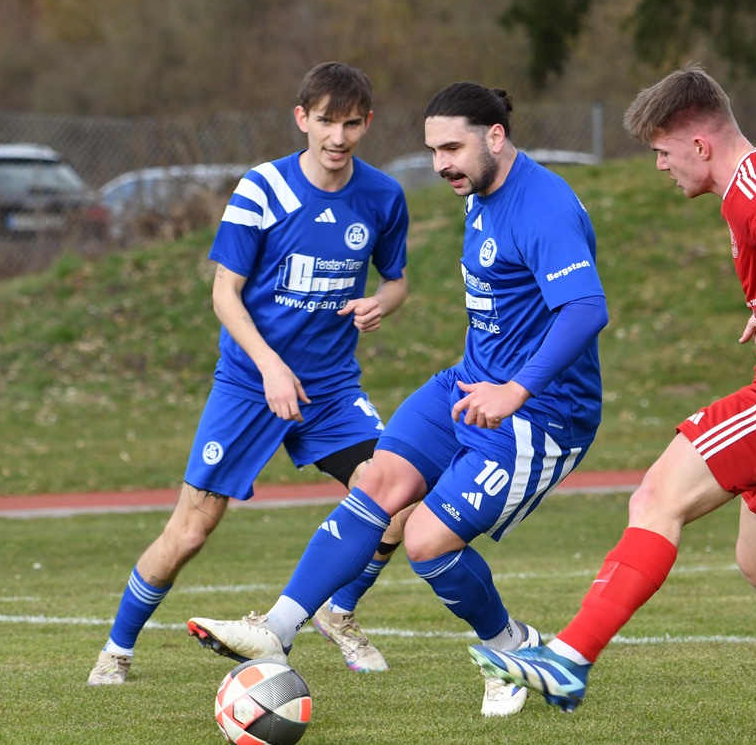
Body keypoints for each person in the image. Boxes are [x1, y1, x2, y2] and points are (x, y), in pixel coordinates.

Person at [469, 63, 756, 729]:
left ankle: (570, 656)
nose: (660, 166)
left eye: (662, 152)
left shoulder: (753, 188)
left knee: (656, 498)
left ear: (699, 144)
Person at [186, 82, 609, 717]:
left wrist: (516, 389)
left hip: (541, 415)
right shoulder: (482, 193)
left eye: (451, 148)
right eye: (433, 149)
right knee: (379, 479)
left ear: (495, 136)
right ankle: (277, 627)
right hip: (469, 384)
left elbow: (585, 309)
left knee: (428, 541)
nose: (441, 163)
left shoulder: (541, 206)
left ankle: (513, 652)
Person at [87, 62, 413, 686]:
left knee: (394, 494)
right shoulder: (263, 189)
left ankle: (337, 612)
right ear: (301, 119)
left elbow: (395, 280)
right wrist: (270, 369)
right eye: (325, 121)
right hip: (248, 386)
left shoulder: (382, 195)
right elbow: (225, 293)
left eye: (351, 124)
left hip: (332, 389)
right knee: (189, 532)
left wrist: (382, 302)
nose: (338, 137)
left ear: (367, 123)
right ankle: (117, 649)